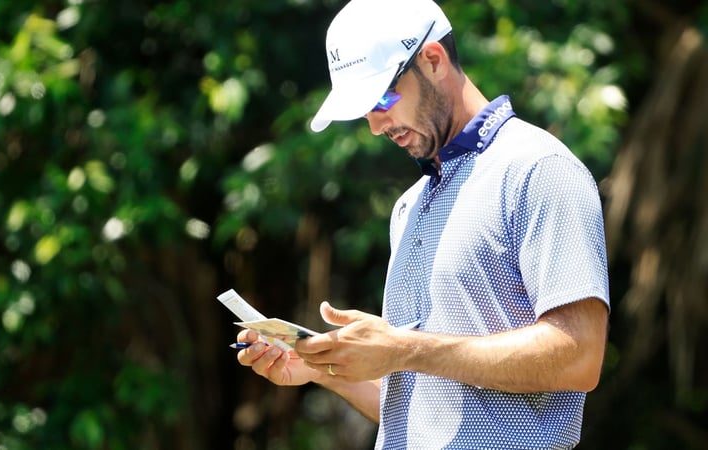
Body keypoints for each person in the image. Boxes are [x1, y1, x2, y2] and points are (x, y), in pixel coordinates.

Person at [235, 0, 610, 448]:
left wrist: (405, 349)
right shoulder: (410, 206)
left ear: (433, 60)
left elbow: (581, 357)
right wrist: (326, 367)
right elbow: (424, 406)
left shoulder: (539, 168)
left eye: (381, 99)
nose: (375, 125)